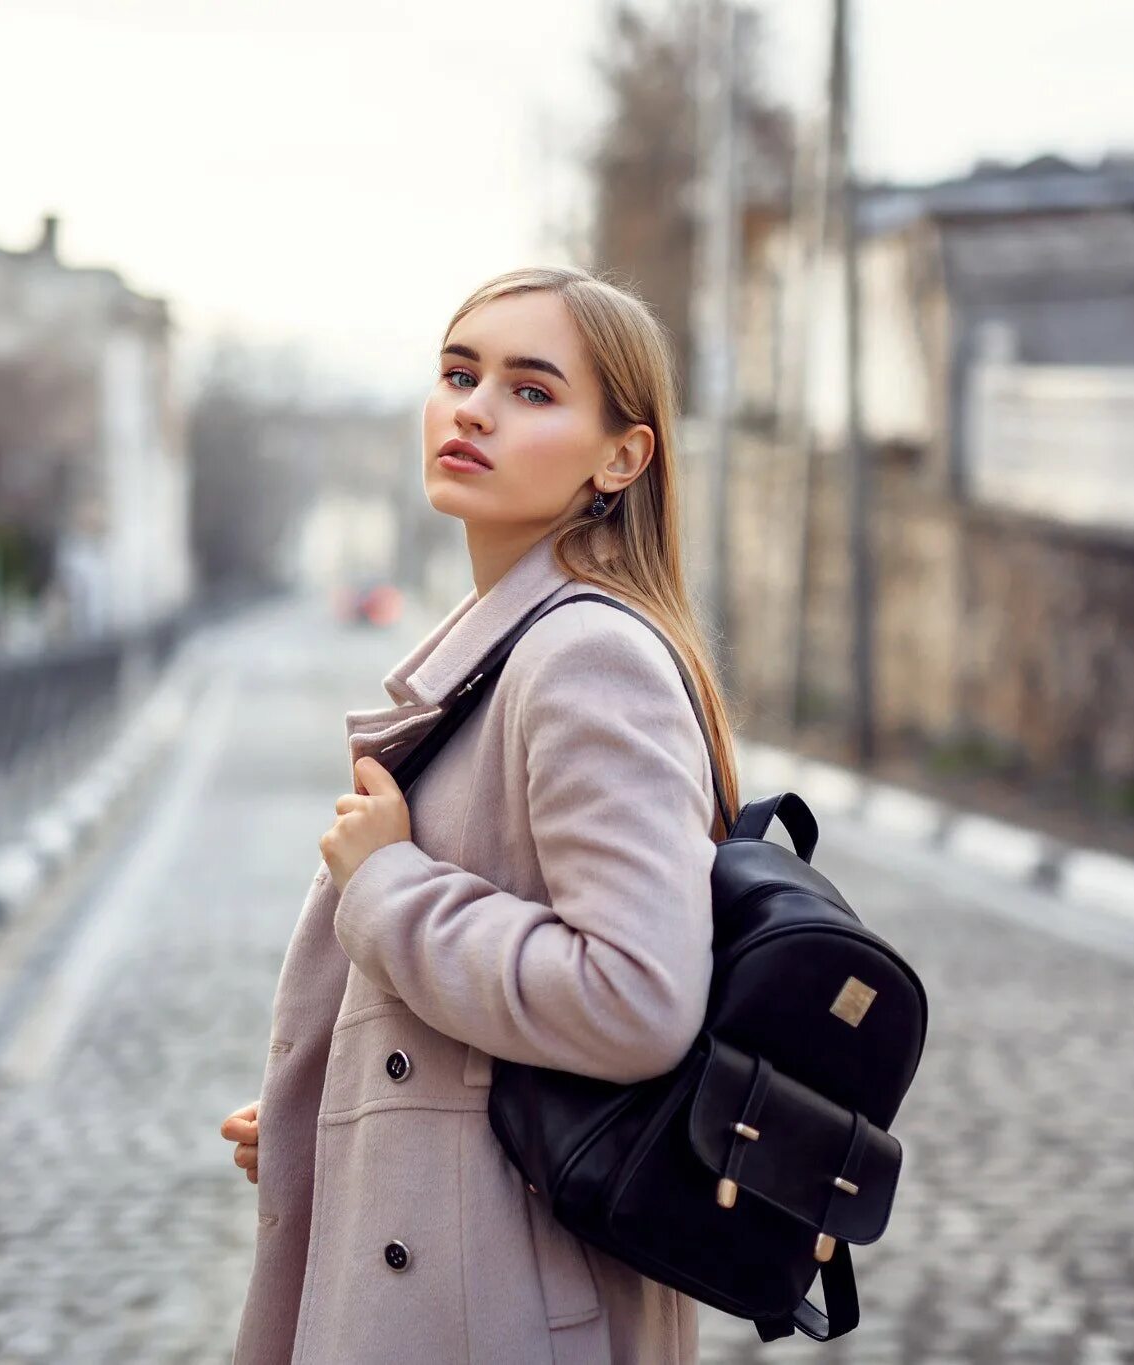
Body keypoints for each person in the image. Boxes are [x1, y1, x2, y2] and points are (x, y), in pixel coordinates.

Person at [220, 266, 742, 1364]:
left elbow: (634, 1000)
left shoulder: (585, 656)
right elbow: (466, 1045)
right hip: (460, 1267)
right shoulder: (504, 652)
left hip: (500, 1310)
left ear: (621, 457)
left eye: (530, 389)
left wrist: (389, 887)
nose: (471, 408)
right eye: (458, 374)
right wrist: (341, 1119)